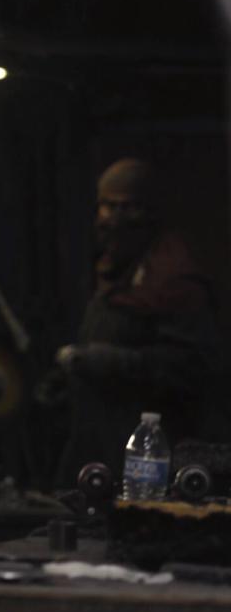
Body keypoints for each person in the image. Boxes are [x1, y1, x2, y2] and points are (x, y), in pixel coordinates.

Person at [52, 158, 220, 484]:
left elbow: (194, 366)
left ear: (150, 213)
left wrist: (114, 363)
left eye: (128, 208)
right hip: (100, 452)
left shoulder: (173, 279)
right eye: (107, 206)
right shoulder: (117, 272)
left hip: (150, 461)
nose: (114, 220)